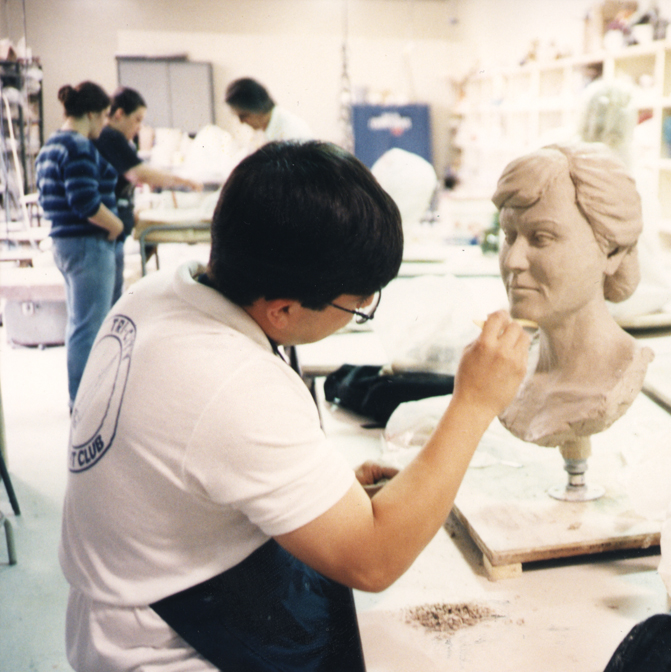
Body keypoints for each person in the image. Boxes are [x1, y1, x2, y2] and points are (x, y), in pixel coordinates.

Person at [58, 140, 530, 671]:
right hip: (163, 646)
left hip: (143, 581)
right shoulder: (235, 382)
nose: (360, 311)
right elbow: (373, 562)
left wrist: (309, 492)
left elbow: (197, 455)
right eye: (357, 305)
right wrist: (473, 402)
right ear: (281, 309)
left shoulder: (161, 293)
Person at [492, 142, 654, 448]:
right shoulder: (511, 379)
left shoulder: (611, 381)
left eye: (541, 238)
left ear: (612, 252)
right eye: (509, 236)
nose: (513, 260)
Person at [36, 81, 125, 407]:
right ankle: (86, 404)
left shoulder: (51, 145)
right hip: (88, 244)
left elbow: (48, 198)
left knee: (80, 323)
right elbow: (85, 201)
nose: (104, 124)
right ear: (90, 113)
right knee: (89, 328)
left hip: (66, 244)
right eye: (103, 116)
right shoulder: (78, 146)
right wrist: (115, 225)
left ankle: (83, 399)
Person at [94, 86, 202, 301]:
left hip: (114, 230)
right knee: (104, 304)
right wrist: (183, 181)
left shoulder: (119, 141)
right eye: (137, 119)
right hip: (105, 231)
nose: (139, 127)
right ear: (119, 114)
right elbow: (139, 173)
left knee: (111, 298)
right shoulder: (110, 137)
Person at [224, 76, 312, 142]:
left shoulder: (291, 133)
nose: (241, 122)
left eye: (243, 116)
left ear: (259, 109)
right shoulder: (261, 131)